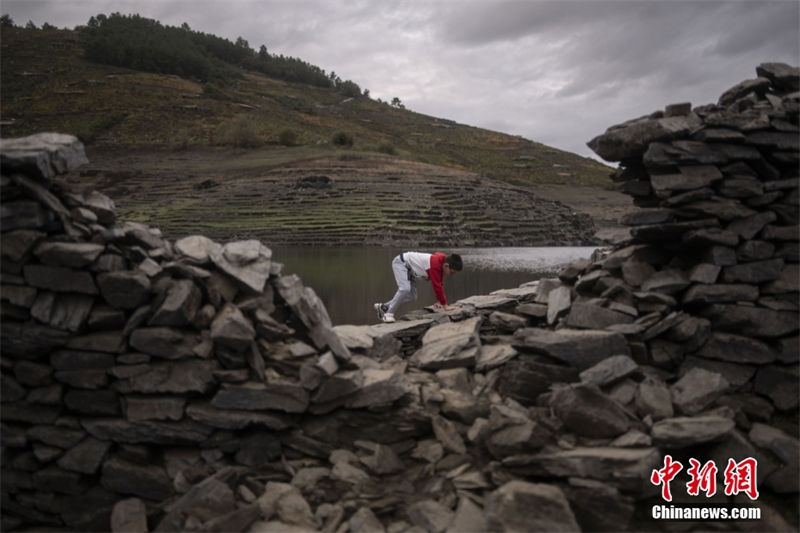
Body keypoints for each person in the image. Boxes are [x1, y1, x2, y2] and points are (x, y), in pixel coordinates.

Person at [374, 251, 463, 323]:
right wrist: (445, 305)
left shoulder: (442, 261)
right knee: (404, 289)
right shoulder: (436, 265)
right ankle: (388, 314)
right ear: (446, 266)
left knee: (412, 297)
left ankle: (384, 307)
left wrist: (440, 301)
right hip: (400, 263)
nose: (452, 275)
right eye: (452, 272)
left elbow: (439, 282)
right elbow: (437, 286)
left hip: (409, 270)